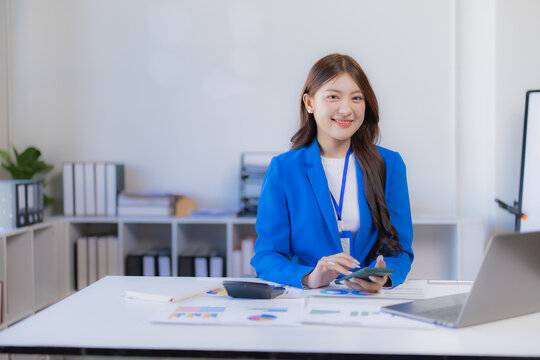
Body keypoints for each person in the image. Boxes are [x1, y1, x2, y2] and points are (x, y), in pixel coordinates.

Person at [251, 53, 413, 292]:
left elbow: (400, 250)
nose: (346, 109)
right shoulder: (284, 169)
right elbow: (267, 255)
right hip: (307, 301)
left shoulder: (389, 164)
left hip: (368, 302)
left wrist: (383, 276)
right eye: (333, 97)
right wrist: (308, 277)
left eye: (356, 98)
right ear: (309, 103)